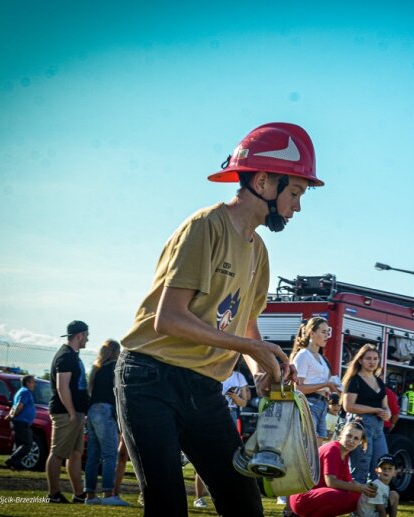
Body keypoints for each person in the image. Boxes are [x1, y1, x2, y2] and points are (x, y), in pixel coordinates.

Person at [116, 122, 323, 517]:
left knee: (245, 505)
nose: (297, 205)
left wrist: (264, 365)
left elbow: (245, 327)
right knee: (167, 506)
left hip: (205, 387)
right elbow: (169, 320)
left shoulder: (259, 251)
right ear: (263, 180)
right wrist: (252, 349)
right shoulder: (204, 226)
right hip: (150, 379)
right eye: (295, 192)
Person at [289, 421, 378, 517]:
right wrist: (360, 488)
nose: (351, 441)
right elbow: (331, 482)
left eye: (356, 438)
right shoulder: (333, 449)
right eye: (349, 436)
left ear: (360, 442)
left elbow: (349, 482)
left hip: (315, 497)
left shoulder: (344, 454)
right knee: (343, 496)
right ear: (341, 434)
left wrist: (366, 490)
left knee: (358, 498)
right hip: (302, 498)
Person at [194, 364, 251, 509]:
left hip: (231, 413)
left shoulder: (239, 377)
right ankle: (199, 497)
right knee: (206, 456)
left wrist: (233, 396)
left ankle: (228, 497)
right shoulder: (214, 370)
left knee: (230, 457)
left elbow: (244, 402)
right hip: (211, 413)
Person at [46, 320, 90, 504]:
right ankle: (53, 494)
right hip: (65, 413)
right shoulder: (65, 356)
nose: (87, 339)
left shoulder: (73, 355)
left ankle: (79, 494)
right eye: (86, 336)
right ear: (79, 335)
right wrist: (72, 412)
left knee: (75, 453)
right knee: (57, 453)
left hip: (76, 413)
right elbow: (62, 387)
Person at [83, 339, 128, 506]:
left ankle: (90, 496)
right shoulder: (115, 367)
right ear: (117, 352)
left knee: (93, 457)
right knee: (110, 455)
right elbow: (117, 392)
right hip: (106, 411)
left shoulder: (96, 368)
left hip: (93, 410)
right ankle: (108, 494)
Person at [342, 344, 391, 483]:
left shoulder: (380, 382)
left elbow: (385, 406)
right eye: (368, 358)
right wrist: (375, 410)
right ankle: (354, 501)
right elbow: (348, 406)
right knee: (360, 467)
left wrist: (386, 413)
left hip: (378, 427)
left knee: (382, 465)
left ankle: (376, 502)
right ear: (360, 360)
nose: (372, 362)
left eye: (375, 358)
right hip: (360, 427)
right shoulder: (355, 381)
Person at [291, 317, 340, 445]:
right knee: (307, 446)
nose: (326, 336)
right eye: (323, 332)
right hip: (309, 404)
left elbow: (325, 383)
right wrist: (325, 384)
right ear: (311, 333)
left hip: (322, 405)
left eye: (327, 332)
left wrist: (335, 387)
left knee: (317, 449)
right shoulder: (303, 355)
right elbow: (297, 388)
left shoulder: (321, 358)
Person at [5, 374, 36, 470]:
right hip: (21, 422)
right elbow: (19, 406)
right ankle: (12, 460)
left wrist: (10, 416)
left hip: (19, 422)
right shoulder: (25, 392)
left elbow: (14, 406)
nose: (34, 384)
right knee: (27, 444)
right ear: (27, 383)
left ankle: (15, 465)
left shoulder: (21, 392)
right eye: (33, 382)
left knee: (19, 444)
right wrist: (12, 415)